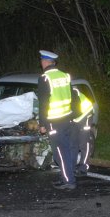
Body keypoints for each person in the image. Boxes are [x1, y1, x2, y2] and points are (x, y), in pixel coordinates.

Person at [36, 50, 77, 190]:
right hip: (67, 118)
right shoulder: (65, 76)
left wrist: (42, 124)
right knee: (68, 150)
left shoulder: (45, 78)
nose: (41, 63)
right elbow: (73, 97)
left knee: (60, 152)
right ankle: (65, 177)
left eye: (41, 60)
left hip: (54, 120)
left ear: (46, 62)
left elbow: (43, 103)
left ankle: (68, 181)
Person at [71, 86, 95, 176]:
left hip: (86, 116)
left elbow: (74, 111)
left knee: (84, 144)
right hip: (76, 118)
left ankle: (83, 167)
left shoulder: (72, 95)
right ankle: (72, 167)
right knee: (73, 144)